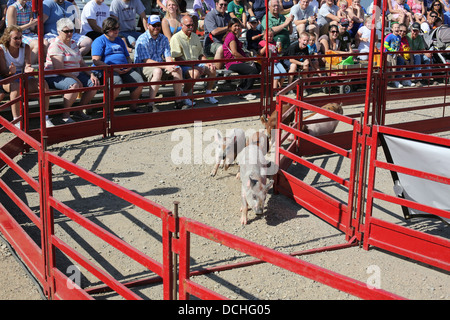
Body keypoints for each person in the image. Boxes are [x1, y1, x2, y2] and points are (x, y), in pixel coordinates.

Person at [44, 18, 99, 123]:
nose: (69, 33)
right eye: (66, 31)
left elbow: (82, 63)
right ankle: (65, 115)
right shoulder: (56, 45)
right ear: (59, 32)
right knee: (74, 85)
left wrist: (91, 74)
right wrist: (75, 78)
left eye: (71, 31)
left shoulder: (73, 43)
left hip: (73, 73)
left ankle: (78, 111)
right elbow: (59, 69)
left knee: (94, 83)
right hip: (55, 76)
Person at [0, 25, 52, 127]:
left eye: (20, 37)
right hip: (7, 77)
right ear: (7, 38)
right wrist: (11, 72)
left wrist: (28, 69)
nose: (19, 40)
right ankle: (16, 120)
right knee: (15, 87)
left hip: (22, 76)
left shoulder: (26, 47)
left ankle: (45, 118)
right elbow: (3, 71)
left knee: (43, 84)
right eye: (16, 38)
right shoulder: (1, 49)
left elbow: (27, 65)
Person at [92, 16, 145, 113]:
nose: (117, 31)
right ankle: (107, 109)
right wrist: (112, 69)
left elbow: (128, 57)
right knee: (116, 83)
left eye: (118, 28)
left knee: (139, 81)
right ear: (107, 29)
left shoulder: (120, 40)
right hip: (108, 70)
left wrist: (129, 66)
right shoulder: (99, 41)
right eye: (114, 29)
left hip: (124, 69)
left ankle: (133, 106)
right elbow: (96, 61)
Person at [134, 15, 184, 111]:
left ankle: (178, 101)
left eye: (158, 25)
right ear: (148, 25)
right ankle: (150, 105)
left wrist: (171, 65)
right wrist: (166, 66)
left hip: (160, 66)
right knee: (157, 71)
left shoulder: (163, 38)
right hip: (143, 67)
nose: (156, 27)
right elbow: (146, 61)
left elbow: (168, 56)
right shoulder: (142, 39)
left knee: (177, 69)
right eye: (154, 25)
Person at [170, 15, 219, 106]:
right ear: (181, 25)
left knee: (212, 68)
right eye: (188, 25)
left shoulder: (195, 36)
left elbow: (200, 54)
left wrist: (208, 62)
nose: (191, 27)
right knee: (195, 73)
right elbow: (177, 59)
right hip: (182, 66)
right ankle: (184, 97)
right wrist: (194, 66)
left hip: (194, 63)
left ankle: (208, 95)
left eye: (192, 25)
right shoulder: (176, 38)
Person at [223, 18, 260, 100]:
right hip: (232, 63)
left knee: (256, 67)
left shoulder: (233, 36)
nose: (237, 28)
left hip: (236, 61)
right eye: (235, 26)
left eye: (238, 26)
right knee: (253, 70)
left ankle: (241, 87)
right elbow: (235, 53)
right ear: (230, 27)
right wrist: (246, 59)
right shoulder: (231, 37)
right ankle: (245, 92)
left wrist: (246, 55)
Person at [5, 0, 40, 64]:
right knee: (38, 44)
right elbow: (12, 29)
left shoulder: (29, 8)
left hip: (29, 34)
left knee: (46, 43)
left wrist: (34, 23)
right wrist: (30, 24)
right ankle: (26, 69)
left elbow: (31, 28)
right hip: (17, 36)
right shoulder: (12, 8)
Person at [383, 22, 414, 88]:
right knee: (388, 67)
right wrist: (391, 50)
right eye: (395, 28)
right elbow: (385, 45)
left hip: (395, 55)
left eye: (398, 28)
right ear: (392, 29)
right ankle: (388, 81)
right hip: (389, 54)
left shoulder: (400, 38)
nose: (397, 29)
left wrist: (397, 52)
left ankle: (394, 80)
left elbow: (399, 47)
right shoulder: (390, 36)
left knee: (394, 67)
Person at [204, 0, 230, 68]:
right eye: (221, 4)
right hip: (211, 44)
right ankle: (217, 73)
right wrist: (229, 27)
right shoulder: (210, 15)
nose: (223, 6)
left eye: (225, 5)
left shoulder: (227, 16)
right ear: (216, 4)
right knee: (221, 48)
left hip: (225, 42)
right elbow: (214, 31)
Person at [406, 22, 433, 86]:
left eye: (417, 31)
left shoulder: (419, 37)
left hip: (416, 53)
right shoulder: (407, 37)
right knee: (417, 56)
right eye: (414, 30)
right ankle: (418, 79)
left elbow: (422, 49)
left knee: (427, 58)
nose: (415, 32)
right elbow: (411, 51)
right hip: (409, 55)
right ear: (411, 30)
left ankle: (428, 78)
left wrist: (426, 53)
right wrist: (423, 52)